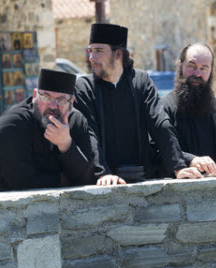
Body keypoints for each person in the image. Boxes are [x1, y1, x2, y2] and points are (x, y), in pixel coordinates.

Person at [74, 23, 201, 182]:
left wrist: (178, 167)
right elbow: (88, 134)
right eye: (90, 51)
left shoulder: (141, 81)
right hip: (104, 180)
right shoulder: (83, 87)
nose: (91, 57)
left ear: (118, 54)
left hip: (142, 176)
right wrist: (103, 174)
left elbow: (159, 123)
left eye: (98, 51)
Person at [0, 68, 103, 194]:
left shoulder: (76, 122)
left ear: (71, 103)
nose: (52, 106)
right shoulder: (12, 124)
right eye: (46, 97)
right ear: (35, 96)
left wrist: (67, 145)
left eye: (60, 100)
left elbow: (87, 179)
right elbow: (23, 182)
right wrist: (64, 179)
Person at [162, 43, 216, 174]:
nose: (197, 74)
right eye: (191, 66)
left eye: (204, 68)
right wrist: (190, 160)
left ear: (211, 72)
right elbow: (157, 150)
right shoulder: (163, 107)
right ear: (180, 66)